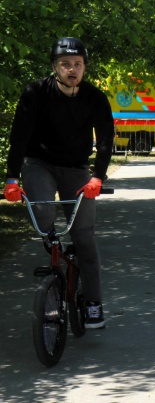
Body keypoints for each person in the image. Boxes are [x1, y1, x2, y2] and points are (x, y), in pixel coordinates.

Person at [3, 37, 114, 328]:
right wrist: (12, 178)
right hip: (39, 163)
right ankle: (54, 247)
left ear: (85, 67)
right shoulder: (35, 93)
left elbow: (105, 140)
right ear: (55, 67)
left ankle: (93, 302)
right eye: (65, 64)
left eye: (77, 64)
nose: (72, 69)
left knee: (85, 238)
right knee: (43, 214)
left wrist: (97, 177)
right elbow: (19, 137)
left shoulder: (95, 98)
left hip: (76, 168)